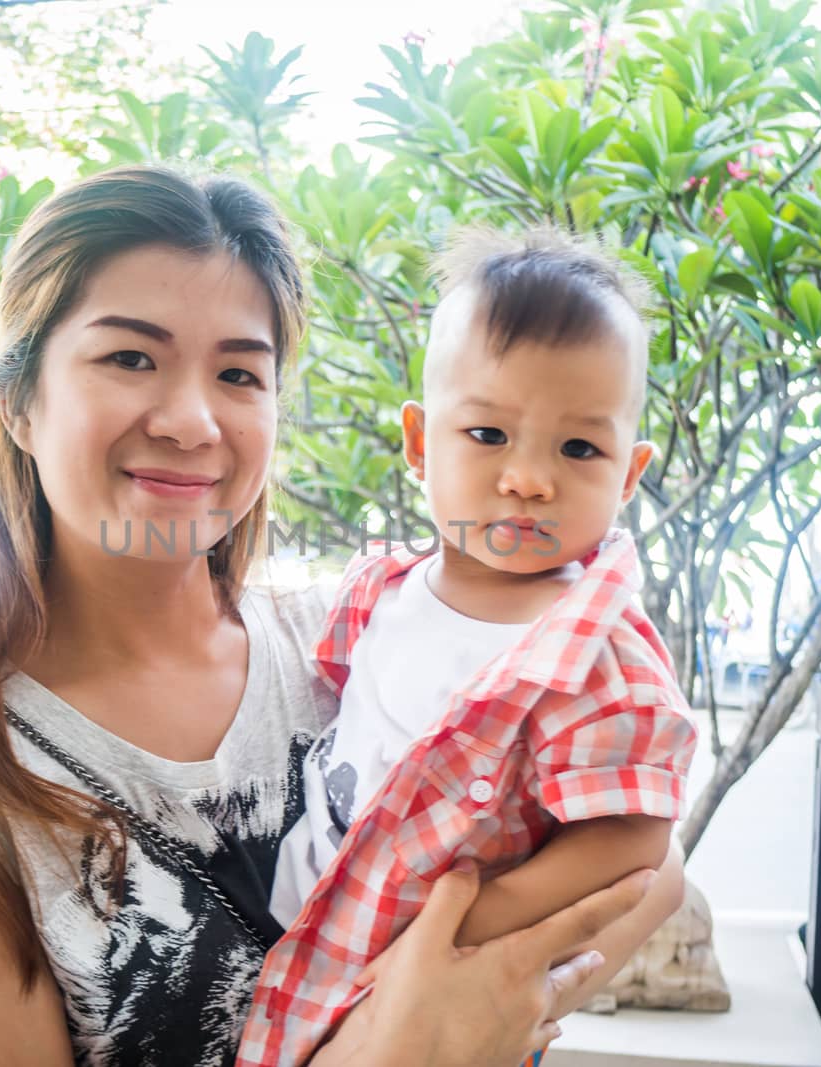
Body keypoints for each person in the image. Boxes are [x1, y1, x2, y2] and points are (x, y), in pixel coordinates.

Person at [0, 165, 684, 1067]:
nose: (192, 419)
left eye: (240, 372)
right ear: (18, 399)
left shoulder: (350, 638)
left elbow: (649, 868)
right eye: (130, 357)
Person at [248, 228, 697, 1065]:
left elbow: (633, 837)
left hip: (440, 990)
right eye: (488, 434)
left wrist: (476, 922)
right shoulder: (378, 594)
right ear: (421, 443)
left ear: (628, 476)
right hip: (303, 956)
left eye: (578, 447)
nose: (528, 476)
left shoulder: (593, 655)